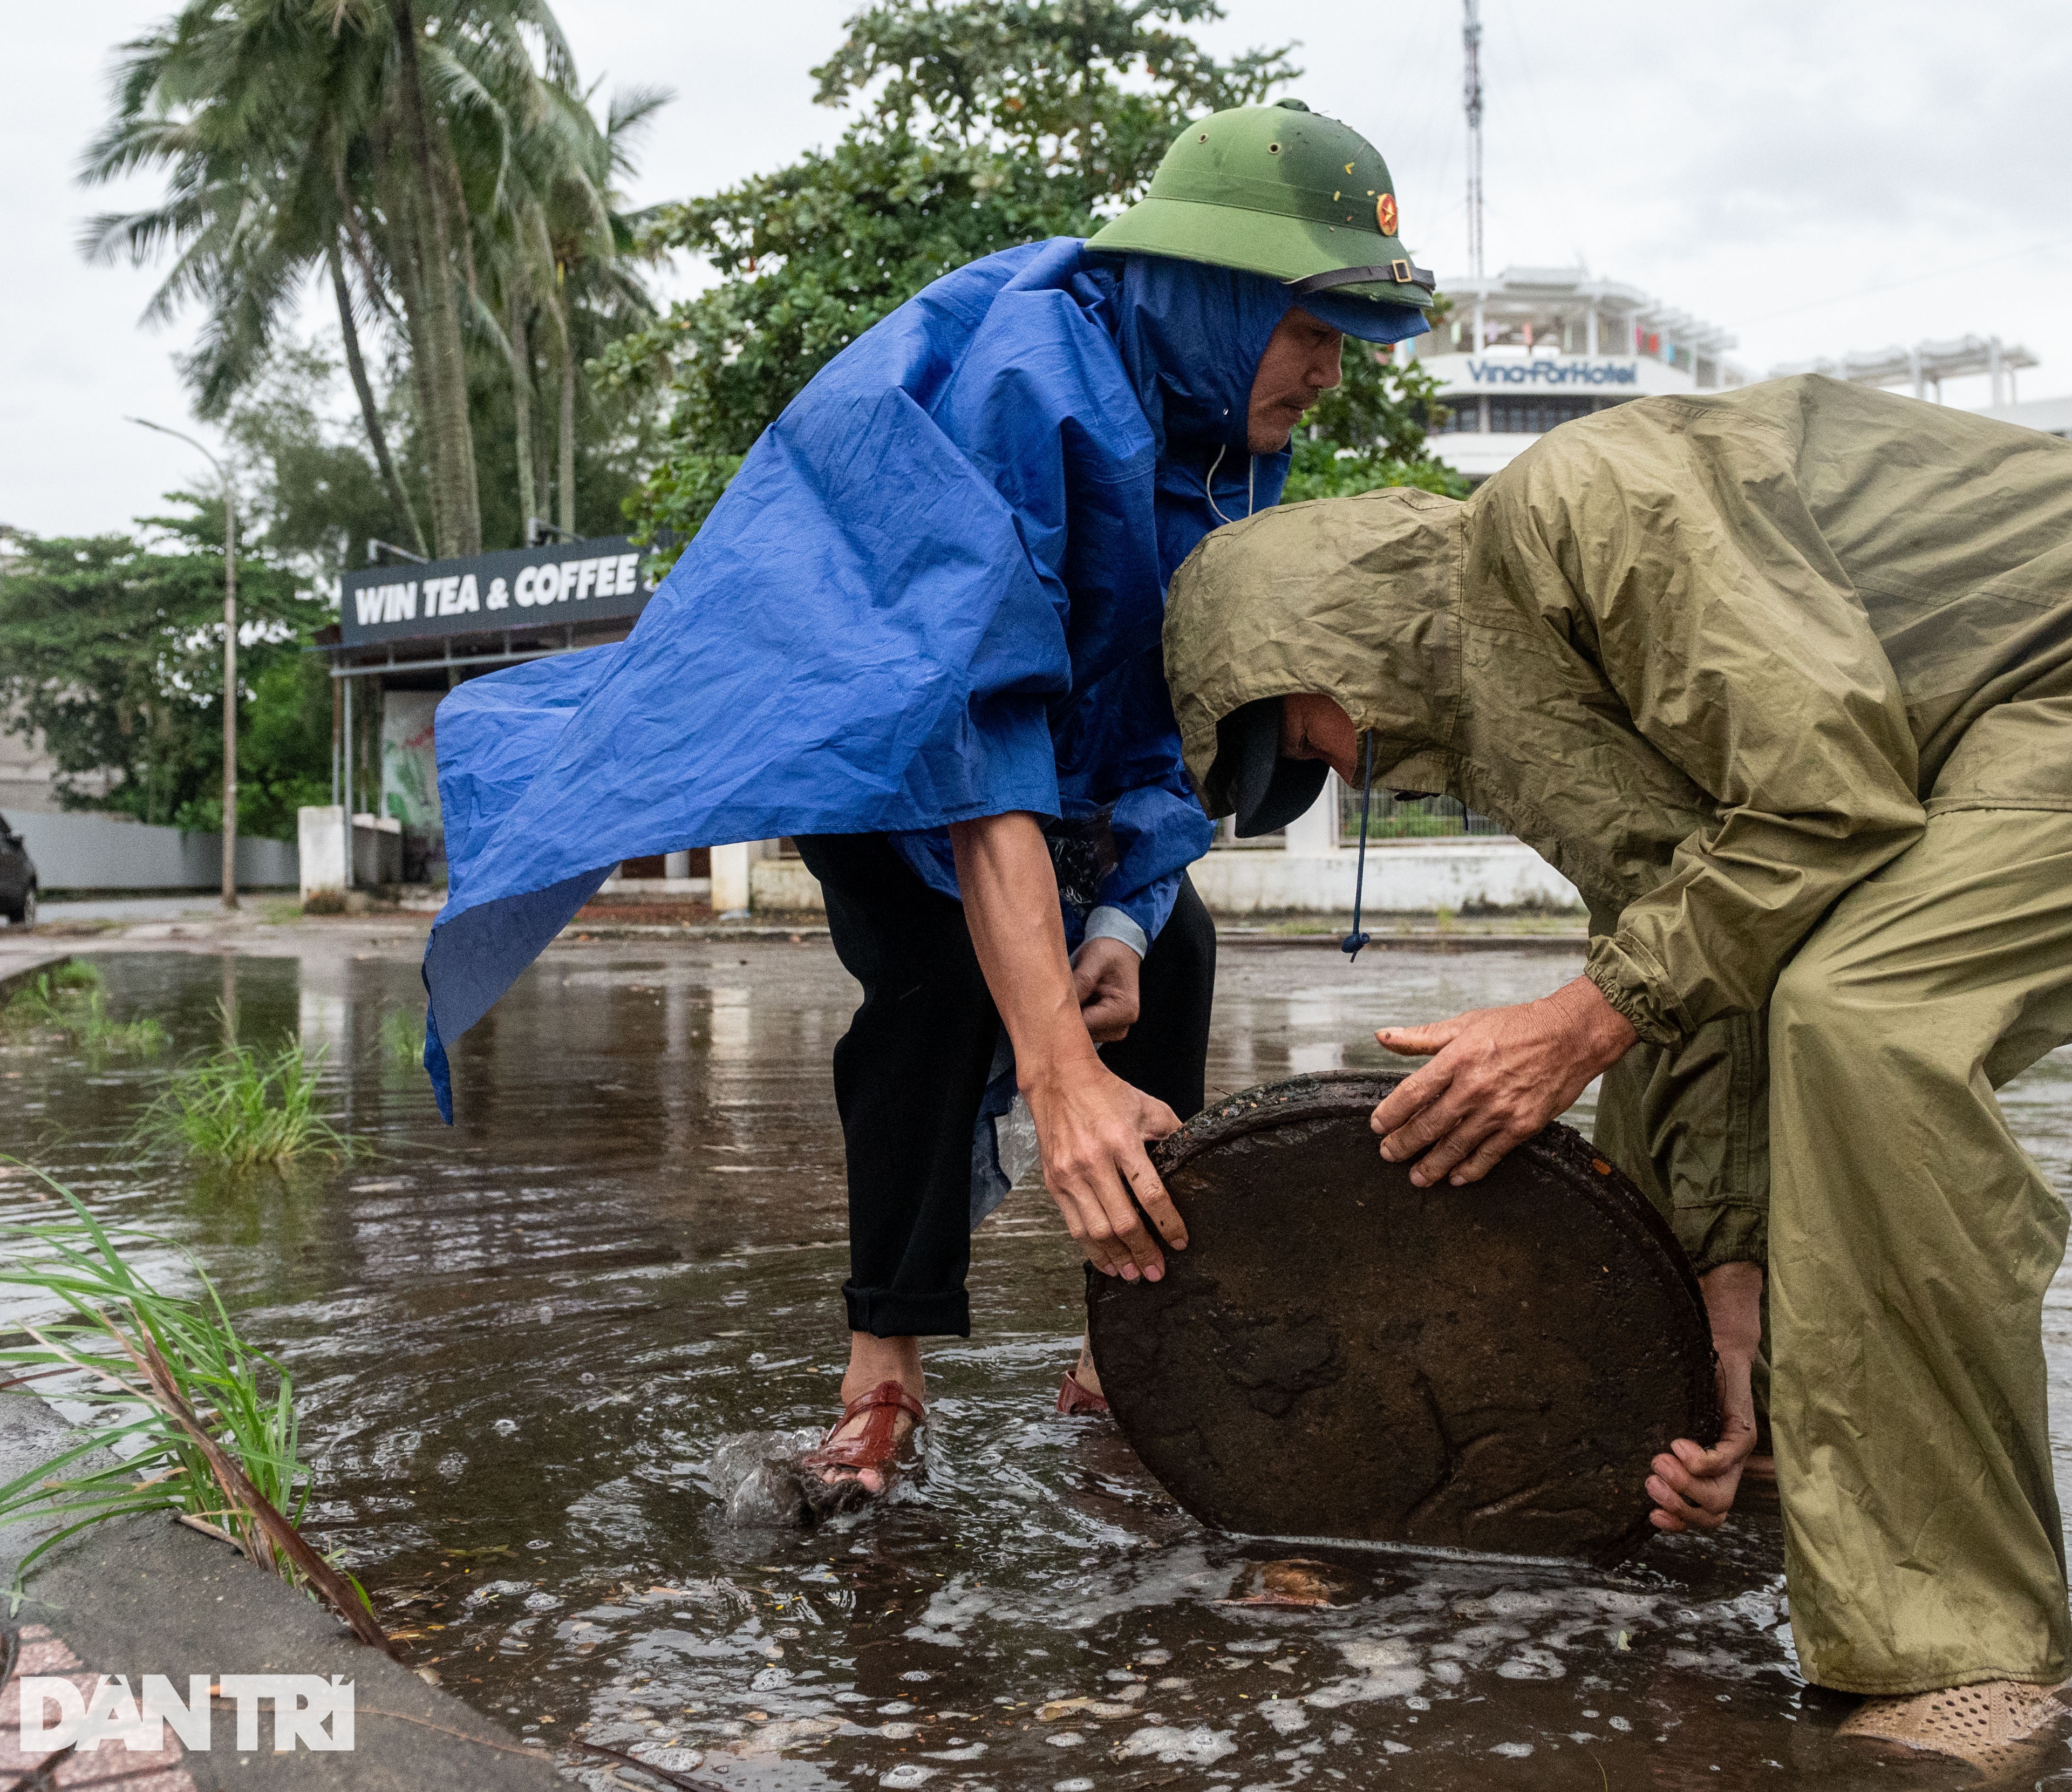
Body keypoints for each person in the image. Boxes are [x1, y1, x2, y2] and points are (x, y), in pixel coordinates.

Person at [1161, 374, 2072, 1766]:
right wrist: (1722, 1320)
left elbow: (1823, 803)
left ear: (1334, 636)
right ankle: (1797, 1430)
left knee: (1873, 1024)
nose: (1353, 772)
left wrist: (1576, 1023)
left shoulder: (1579, 515)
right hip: (1994, 726)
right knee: (1749, 1007)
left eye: (1309, 738)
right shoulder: (1540, 696)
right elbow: (1707, 972)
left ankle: (1972, 1644)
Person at [421, 100, 1436, 1495]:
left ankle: (1125, 1341)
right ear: (1214, 290)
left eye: (1344, 340)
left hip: (1048, 752)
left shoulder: (1225, 441)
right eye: (1311, 330)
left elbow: (1160, 715)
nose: (1329, 372)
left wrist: (1125, 920)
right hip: (876, 726)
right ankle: (879, 1377)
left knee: (1177, 958)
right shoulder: (1027, 378)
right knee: (942, 990)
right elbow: (973, 743)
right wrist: (1054, 1070)